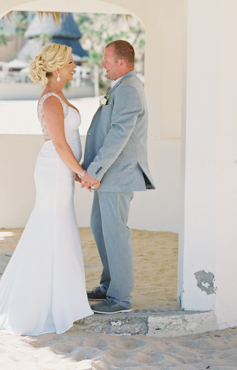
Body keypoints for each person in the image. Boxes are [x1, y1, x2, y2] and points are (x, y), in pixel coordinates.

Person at [0, 43, 94, 335]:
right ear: (57, 68)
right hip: (55, 171)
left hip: (61, 171)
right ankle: (41, 303)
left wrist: (74, 171)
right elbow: (59, 144)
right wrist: (81, 172)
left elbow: (65, 143)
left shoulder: (58, 96)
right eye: (70, 62)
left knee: (58, 230)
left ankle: (62, 301)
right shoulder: (50, 100)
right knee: (51, 229)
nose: (75, 66)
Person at [83, 40, 156, 314]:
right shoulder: (123, 87)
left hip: (117, 175)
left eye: (106, 59)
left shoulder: (129, 89)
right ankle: (109, 285)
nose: (102, 63)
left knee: (115, 234)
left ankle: (120, 299)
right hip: (108, 176)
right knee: (101, 229)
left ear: (121, 62)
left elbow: (118, 135)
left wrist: (94, 170)